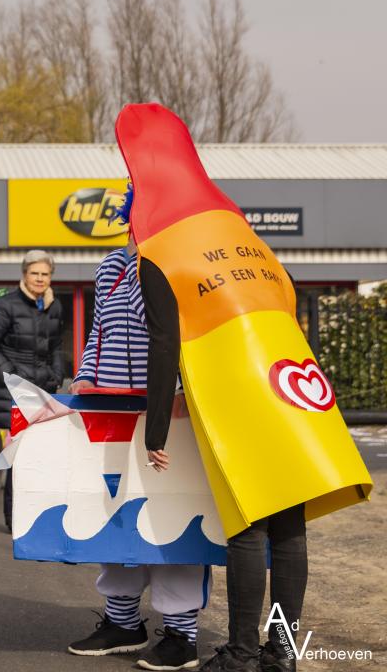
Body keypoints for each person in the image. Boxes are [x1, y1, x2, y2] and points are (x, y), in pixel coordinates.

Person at [116, 103, 369, 672]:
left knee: (248, 529)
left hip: (234, 392)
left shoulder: (159, 251)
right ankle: (282, 654)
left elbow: (165, 344)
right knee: (289, 529)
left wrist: (155, 429)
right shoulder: (245, 235)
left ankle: (242, 652)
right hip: (292, 388)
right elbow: (287, 304)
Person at [66, 223, 208, 671]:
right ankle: (123, 622)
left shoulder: (184, 260)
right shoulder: (110, 265)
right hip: (112, 409)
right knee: (115, 513)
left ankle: (182, 634)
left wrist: (186, 390)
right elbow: (99, 333)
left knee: (174, 518)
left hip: (173, 411)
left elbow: (195, 336)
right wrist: (87, 374)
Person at [0, 249, 64, 530]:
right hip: (14, 394)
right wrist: (12, 376)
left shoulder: (55, 306)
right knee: (20, 459)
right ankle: (16, 520)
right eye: (34, 273)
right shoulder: (6, 305)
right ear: (24, 275)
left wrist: (57, 374)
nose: (40, 279)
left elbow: (57, 347)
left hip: (44, 391)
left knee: (44, 458)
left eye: (45, 274)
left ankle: (38, 516)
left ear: (51, 277)